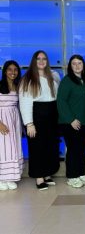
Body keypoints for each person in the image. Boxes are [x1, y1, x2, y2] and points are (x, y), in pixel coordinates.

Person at [19, 50, 60, 190]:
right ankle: (39, 177)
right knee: (37, 147)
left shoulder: (53, 76)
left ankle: (47, 174)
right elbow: (25, 103)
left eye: (44, 59)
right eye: (38, 59)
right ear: (34, 61)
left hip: (52, 115)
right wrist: (29, 123)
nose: (41, 61)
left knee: (50, 146)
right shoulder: (28, 79)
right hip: (37, 116)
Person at [57, 54, 85, 188]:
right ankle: (72, 176)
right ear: (70, 67)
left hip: (84, 122)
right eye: (74, 63)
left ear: (83, 65)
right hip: (70, 123)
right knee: (72, 149)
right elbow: (61, 101)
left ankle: (80, 173)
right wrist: (71, 119)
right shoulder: (67, 80)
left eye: (79, 63)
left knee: (81, 149)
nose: (77, 66)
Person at [0, 60, 23, 191]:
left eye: (15, 70)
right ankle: (2, 178)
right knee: (2, 149)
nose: (13, 72)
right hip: (2, 120)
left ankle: (10, 177)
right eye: (10, 69)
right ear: (4, 71)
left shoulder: (18, 86)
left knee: (13, 147)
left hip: (14, 120)